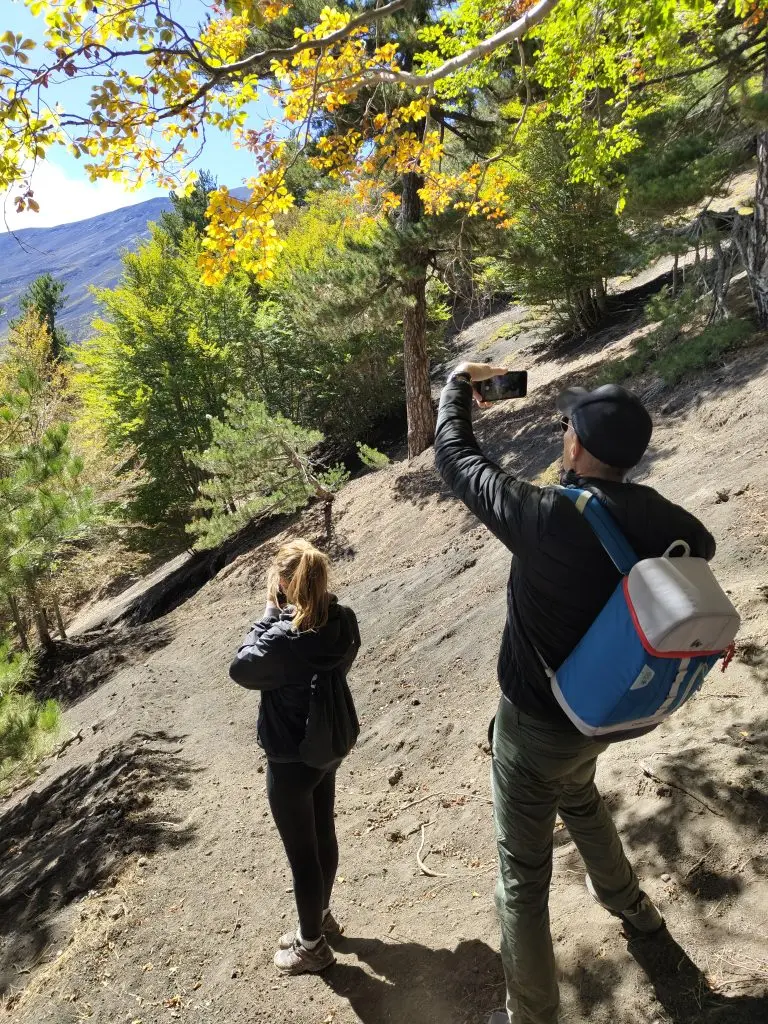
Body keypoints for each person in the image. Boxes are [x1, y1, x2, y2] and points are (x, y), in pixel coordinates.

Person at [434, 364, 716, 1024]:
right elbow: (702, 543)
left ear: (577, 445)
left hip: (538, 726)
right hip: (612, 713)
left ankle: (532, 1016)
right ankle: (637, 913)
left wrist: (455, 390)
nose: (563, 433)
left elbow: (456, 459)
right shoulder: (662, 518)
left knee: (522, 880)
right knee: (580, 798)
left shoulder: (547, 518)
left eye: (567, 426)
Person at [229, 539, 361, 976]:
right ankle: (318, 917)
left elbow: (241, 667)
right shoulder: (343, 621)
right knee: (323, 832)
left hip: (289, 758)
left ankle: (311, 946)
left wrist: (269, 612)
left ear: (285, 584)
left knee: (303, 855)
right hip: (326, 746)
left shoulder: (283, 640)